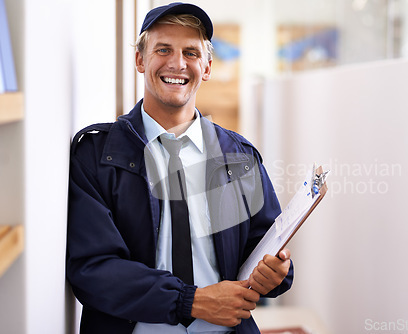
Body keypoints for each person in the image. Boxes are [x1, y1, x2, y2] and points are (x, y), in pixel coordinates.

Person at [66, 2, 293, 334]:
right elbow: (93, 269)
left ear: (207, 66)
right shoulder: (96, 154)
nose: (177, 64)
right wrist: (190, 301)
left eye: (191, 52)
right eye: (163, 49)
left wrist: (276, 272)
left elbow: (265, 248)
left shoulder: (238, 157)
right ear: (140, 60)